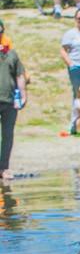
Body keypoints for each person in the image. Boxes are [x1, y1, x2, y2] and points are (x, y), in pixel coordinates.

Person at [0, 27, 26, 181]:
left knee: (8, 135)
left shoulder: (11, 54)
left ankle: (4, 167)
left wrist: (23, 94)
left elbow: (20, 75)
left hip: (9, 101)